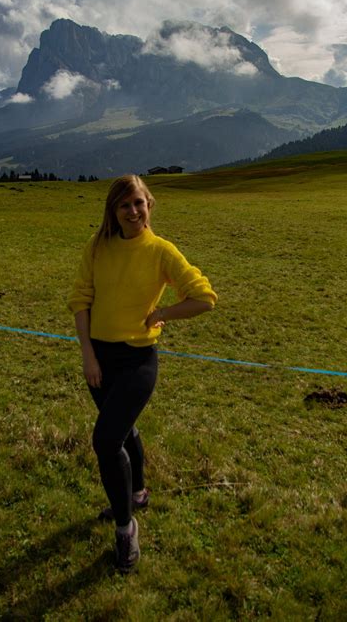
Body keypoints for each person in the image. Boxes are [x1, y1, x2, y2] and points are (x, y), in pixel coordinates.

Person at [68, 174, 217, 573]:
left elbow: (204, 298)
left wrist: (163, 313)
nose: (133, 212)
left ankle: (125, 529)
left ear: (150, 204)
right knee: (124, 430)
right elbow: (81, 300)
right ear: (113, 211)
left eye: (138, 203)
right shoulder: (97, 247)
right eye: (124, 205)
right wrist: (88, 355)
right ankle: (136, 493)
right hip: (99, 359)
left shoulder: (161, 252)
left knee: (105, 439)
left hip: (138, 361)